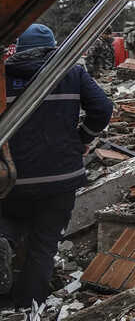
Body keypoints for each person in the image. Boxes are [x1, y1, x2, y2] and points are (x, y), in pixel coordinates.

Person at [0, 24, 113, 306]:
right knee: (43, 246)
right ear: (54, 48)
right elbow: (103, 108)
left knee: (8, 221)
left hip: (11, 177)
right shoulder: (71, 72)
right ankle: (28, 310)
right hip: (60, 177)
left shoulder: (2, 76)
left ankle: (6, 240)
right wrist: (82, 138)